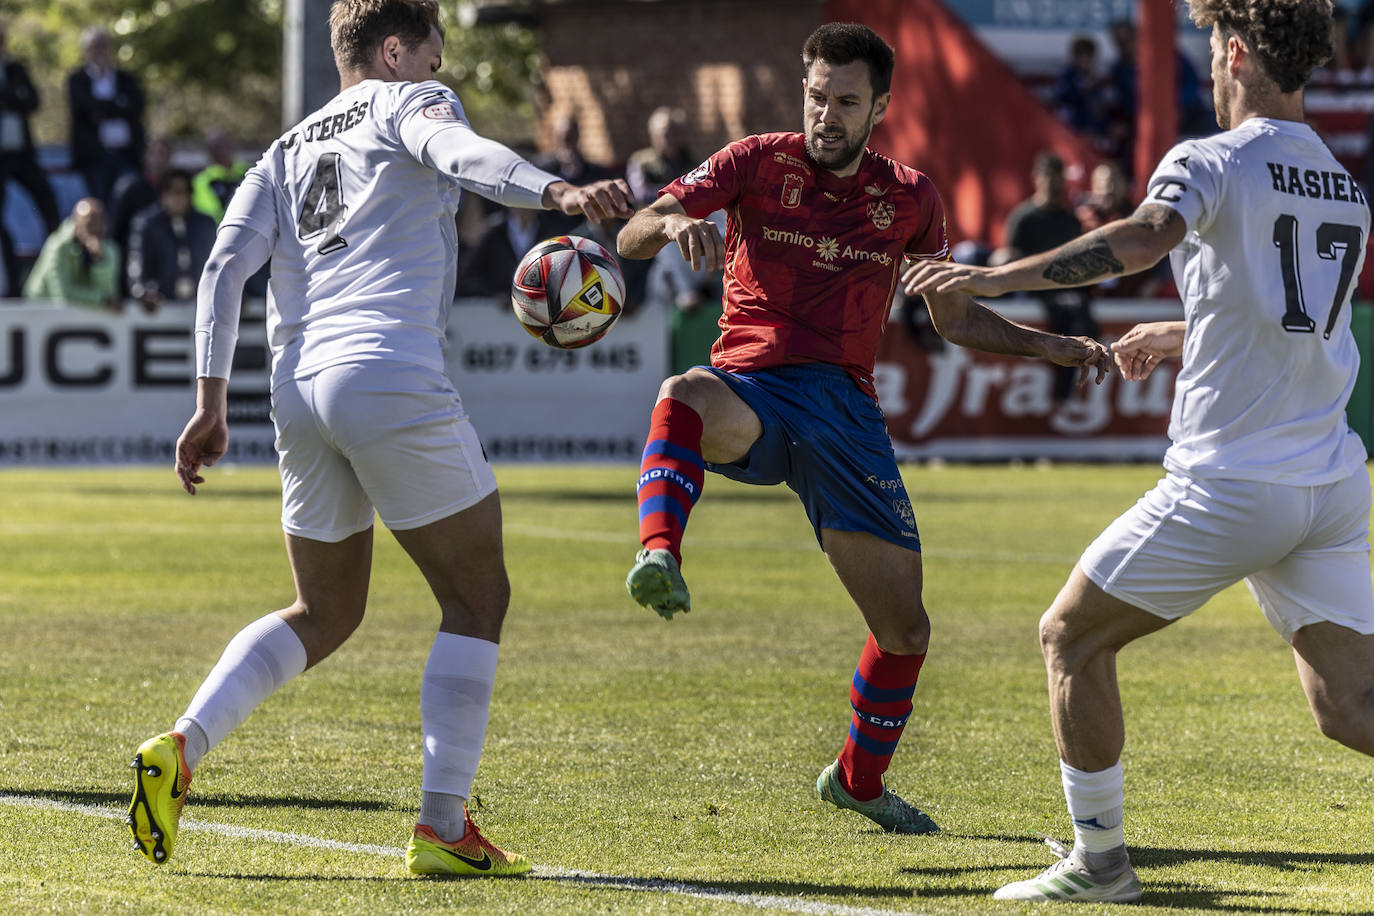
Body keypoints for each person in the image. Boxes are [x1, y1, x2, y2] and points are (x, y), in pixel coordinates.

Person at [124, 0, 632, 878]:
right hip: (387, 371)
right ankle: (442, 826)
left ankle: (182, 743)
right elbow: (460, 156)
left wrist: (210, 403)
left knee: (326, 610)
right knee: (476, 599)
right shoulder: (407, 105)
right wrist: (555, 189)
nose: (441, 72)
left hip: (298, 389)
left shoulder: (281, 151)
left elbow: (221, 268)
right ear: (395, 50)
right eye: (433, 54)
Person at [904, 0, 1368, 902]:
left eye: (1209, 49)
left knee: (1069, 638)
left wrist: (991, 276)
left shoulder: (1208, 158)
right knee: (1352, 707)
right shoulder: (1342, 179)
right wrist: (1182, 330)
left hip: (1232, 482)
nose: (1205, 65)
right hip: (1331, 481)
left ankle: (1100, 864)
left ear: (1235, 52)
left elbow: (1143, 236)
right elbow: (1289, 326)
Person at [616, 22, 1111, 836]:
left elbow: (953, 318)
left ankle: (856, 780)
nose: (826, 115)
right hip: (752, 387)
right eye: (817, 97)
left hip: (844, 412)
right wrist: (675, 226)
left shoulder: (911, 196)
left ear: (879, 106)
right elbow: (637, 227)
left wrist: (1050, 344)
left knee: (905, 628)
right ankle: (659, 552)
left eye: (846, 102)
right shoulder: (753, 161)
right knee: (684, 392)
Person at [1001, 152, 1099, 404]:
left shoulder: (1069, 219)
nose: (1054, 184)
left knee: (1081, 322)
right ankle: (1062, 392)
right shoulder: (1024, 218)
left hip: (1064, 288)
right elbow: (1011, 261)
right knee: (1067, 319)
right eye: (1049, 177)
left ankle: (1067, 389)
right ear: (1037, 179)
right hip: (1032, 289)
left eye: (1058, 178)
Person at [0, 20, 60, 297]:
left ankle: (57, 264)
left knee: (48, 204)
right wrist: (13, 97)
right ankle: (12, 284)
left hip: (22, 154)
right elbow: (18, 98)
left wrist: (9, 96)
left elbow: (32, 101)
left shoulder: (16, 69)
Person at [67, 27, 146, 208]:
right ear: (85, 50)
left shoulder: (126, 79)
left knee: (129, 202)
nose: (99, 51)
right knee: (100, 205)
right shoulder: (77, 79)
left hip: (127, 154)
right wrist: (118, 105)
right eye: (94, 47)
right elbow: (84, 107)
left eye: (103, 46)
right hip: (95, 157)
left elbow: (137, 106)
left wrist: (101, 111)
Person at [125, 168, 217, 312]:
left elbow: (219, 263)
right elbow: (136, 262)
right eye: (171, 191)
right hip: (161, 304)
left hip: (201, 303)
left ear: (190, 195)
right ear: (162, 195)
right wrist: (141, 291)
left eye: (182, 192)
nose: (177, 197)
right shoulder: (146, 223)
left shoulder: (206, 224)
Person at [22, 197, 120, 310]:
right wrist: (101, 300)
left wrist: (99, 260)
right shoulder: (57, 246)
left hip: (83, 316)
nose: (95, 228)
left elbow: (110, 293)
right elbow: (62, 295)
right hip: (39, 313)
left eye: (99, 223)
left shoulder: (110, 249)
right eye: (90, 223)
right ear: (76, 224)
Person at [626, 106, 695, 206]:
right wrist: (676, 192)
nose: (671, 139)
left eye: (675, 133)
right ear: (653, 136)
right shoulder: (640, 160)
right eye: (666, 134)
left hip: (684, 217)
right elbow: (640, 194)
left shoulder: (687, 160)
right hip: (652, 216)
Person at [191, 128, 251, 224]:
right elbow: (206, 213)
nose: (221, 150)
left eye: (225, 144)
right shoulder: (200, 181)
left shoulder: (250, 172)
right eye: (216, 146)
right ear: (208, 151)